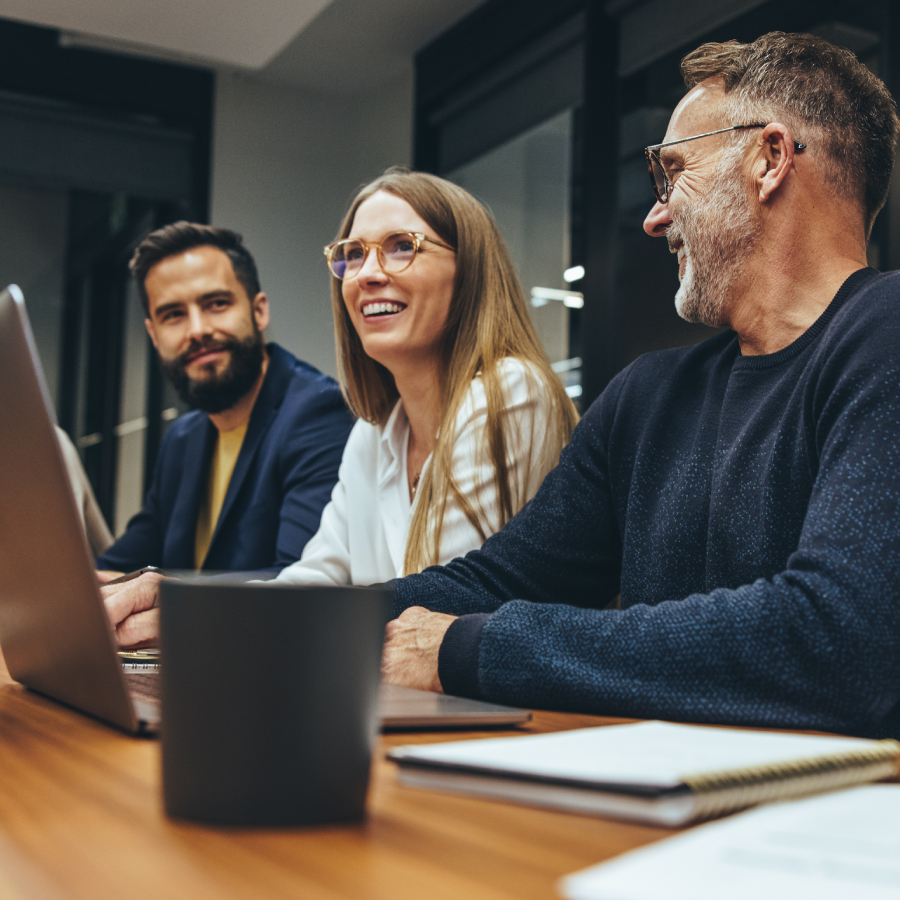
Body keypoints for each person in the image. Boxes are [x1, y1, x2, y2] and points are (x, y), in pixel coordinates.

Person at [379, 32, 900, 740]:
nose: (654, 216)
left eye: (673, 171)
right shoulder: (648, 396)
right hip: (658, 808)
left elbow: (840, 642)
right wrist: (268, 620)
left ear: (769, 158)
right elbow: (498, 582)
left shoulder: (883, 331)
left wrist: (471, 647)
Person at [103, 170, 579, 645]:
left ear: (470, 269)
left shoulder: (511, 391)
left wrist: (202, 617)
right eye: (353, 255)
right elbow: (313, 578)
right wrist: (186, 604)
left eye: (402, 246)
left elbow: (438, 607)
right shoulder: (374, 433)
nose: (368, 274)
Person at [95, 222, 354, 589]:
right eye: (173, 314)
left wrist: (158, 598)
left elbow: (299, 583)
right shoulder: (182, 438)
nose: (197, 330)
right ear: (153, 335)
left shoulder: (318, 414)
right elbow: (121, 564)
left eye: (216, 304)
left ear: (259, 311)